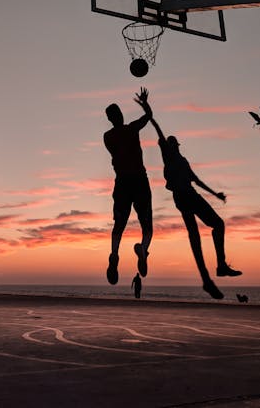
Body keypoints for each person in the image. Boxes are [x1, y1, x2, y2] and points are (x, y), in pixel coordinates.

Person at [149, 110, 241, 300]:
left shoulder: (183, 161)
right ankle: (207, 279)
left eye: (174, 144)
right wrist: (147, 109)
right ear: (169, 146)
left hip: (192, 194)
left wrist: (216, 194)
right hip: (182, 197)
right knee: (195, 236)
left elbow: (196, 180)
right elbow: (157, 129)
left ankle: (221, 266)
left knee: (218, 224)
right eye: (171, 144)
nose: (174, 146)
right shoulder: (168, 156)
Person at [103, 87, 153, 284]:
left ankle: (114, 254)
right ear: (120, 116)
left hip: (122, 182)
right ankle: (143, 251)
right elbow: (148, 116)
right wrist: (144, 103)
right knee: (147, 225)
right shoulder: (131, 129)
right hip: (139, 180)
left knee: (119, 225)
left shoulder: (107, 137)